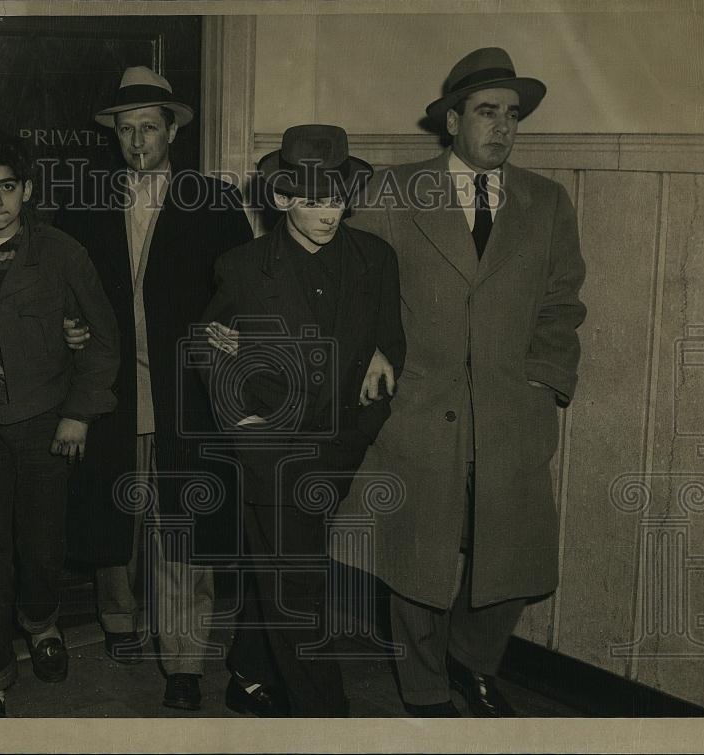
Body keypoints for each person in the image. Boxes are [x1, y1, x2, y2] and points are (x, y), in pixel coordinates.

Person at [335, 47, 588, 717]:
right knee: (417, 559)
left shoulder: (548, 202)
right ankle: (422, 689)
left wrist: (544, 379)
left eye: (512, 115)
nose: (501, 127)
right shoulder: (393, 191)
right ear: (451, 121)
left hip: (512, 412)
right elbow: (354, 285)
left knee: (514, 559)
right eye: (485, 112)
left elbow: (564, 303)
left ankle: (473, 661)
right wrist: (374, 357)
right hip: (420, 408)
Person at [56, 66, 255, 711]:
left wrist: (224, 344)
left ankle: (185, 659)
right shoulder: (85, 200)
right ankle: (118, 622)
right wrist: (70, 328)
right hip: (110, 386)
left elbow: (240, 292)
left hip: (183, 386)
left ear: (173, 130)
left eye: (149, 127)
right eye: (125, 129)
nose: (136, 140)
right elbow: (61, 288)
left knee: (181, 521)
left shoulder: (213, 201)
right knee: (113, 506)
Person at [200, 124, 406, 717]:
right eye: (312, 200)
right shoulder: (242, 267)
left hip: (342, 445)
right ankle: (326, 721)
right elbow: (212, 351)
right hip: (272, 450)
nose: (328, 212)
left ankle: (248, 668)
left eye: (336, 197)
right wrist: (245, 432)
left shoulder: (376, 259)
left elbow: (393, 340)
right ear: (283, 199)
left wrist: (381, 361)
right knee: (300, 586)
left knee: (287, 569)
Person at [0, 129, 120, 717]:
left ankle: (41, 621)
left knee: (40, 548)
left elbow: (103, 341)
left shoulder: (62, 252)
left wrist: (79, 415)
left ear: (27, 190)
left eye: (7, 187)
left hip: (44, 418)